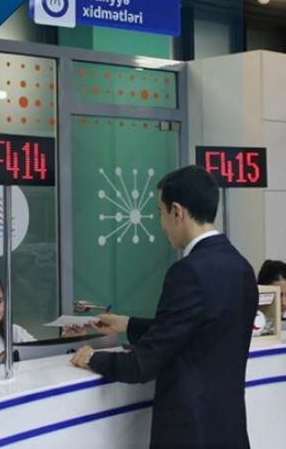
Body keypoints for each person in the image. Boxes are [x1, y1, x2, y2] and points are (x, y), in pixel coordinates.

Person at [69, 165, 258, 448]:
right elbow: (197, 333)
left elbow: (142, 365)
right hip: (229, 431)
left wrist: (91, 358)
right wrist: (126, 324)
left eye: (160, 212)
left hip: (190, 435)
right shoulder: (242, 266)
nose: (161, 225)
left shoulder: (188, 272)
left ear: (177, 211)